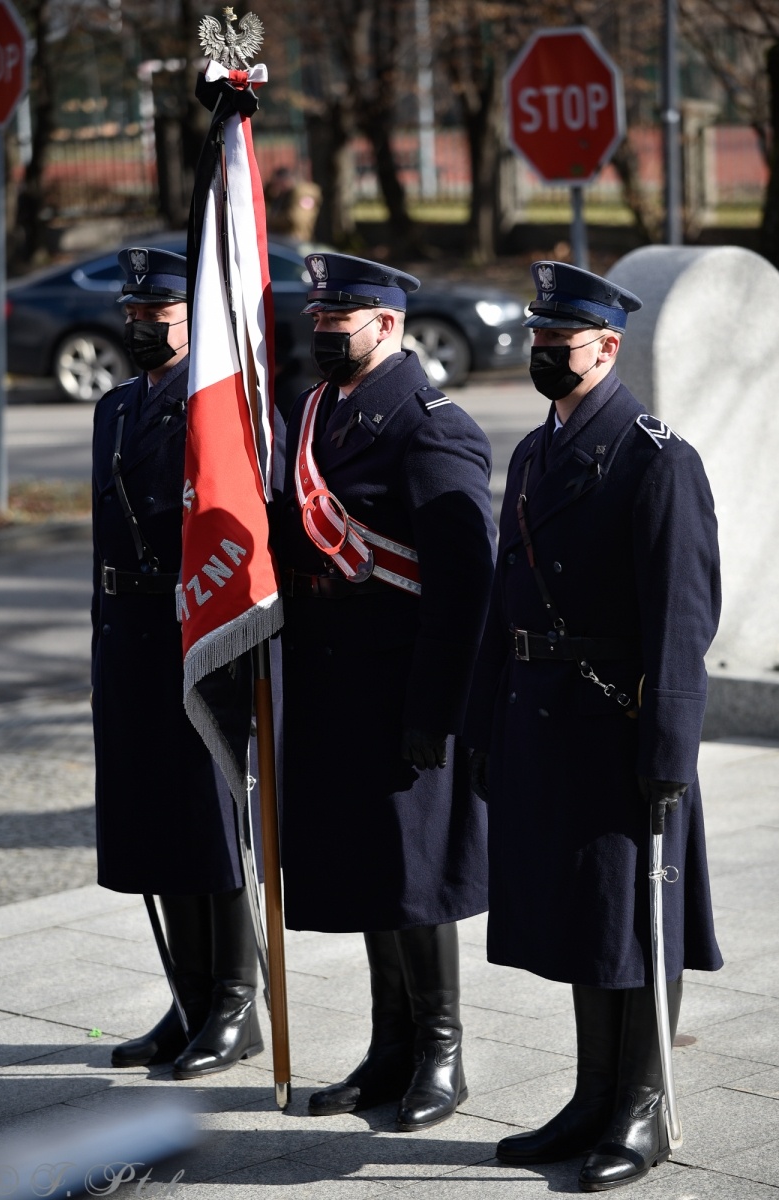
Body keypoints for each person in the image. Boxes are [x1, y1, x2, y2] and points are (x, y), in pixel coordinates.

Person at [465, 261, 723, 1191]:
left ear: (606, 349)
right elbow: (505, 597)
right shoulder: (536, 451)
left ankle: (642, 1107)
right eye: (534, 340)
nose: (541, 354)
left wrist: (668, 752)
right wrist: (479, 721)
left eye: (557, 343)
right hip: (543, 718)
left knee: (634, 920)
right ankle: (592, 1094)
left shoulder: (658, 459)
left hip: (619, 728)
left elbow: (683, 620)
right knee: (584, 920)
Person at [273, 252, 496, 1131]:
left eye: (342, 325)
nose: (324, 337)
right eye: (318, 325)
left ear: (390, 325)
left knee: (414, 880)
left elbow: (463, 587)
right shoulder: (315, 410)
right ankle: (388, 1049)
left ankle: (442, 1055)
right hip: (333, 688)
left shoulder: (432, 426)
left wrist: (437, 712)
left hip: (404, 690)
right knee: (371, 872)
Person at [91, 246, 262, 1080]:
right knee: (152, 816)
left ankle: (234, 1002)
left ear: (192, 321)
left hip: (191, 630)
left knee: (207, 821)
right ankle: (187, 997)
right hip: (127, 634)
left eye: (154, 319)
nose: (139, 331)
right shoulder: (115, 409)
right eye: (132, 318)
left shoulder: (216, 413)